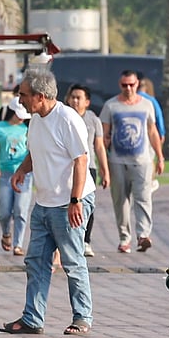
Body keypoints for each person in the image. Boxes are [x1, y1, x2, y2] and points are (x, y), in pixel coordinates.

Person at [3, 69, 96, 336]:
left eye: (23, 94)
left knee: (72, 261)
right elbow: (35, 151)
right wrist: (22, 170)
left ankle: (82, 317)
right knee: (36, 261)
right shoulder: (36, 120)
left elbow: (81, 160)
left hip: (69, 202)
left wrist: (76, 201)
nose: (19, 100)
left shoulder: (67, 119)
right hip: (43, 203)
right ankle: (32, 318)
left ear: (40, 96)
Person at [99, 70, 164, 253]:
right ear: (120, 85)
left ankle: (143, 235)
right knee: (121, 201)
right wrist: (104, 162)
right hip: (118, 161)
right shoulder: (111, 106)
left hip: (142, 160)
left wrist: (159, 156)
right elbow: (103, 134)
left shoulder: (146, 104)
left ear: (137, 84)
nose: (128, 88)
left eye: (131, 84)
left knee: (143, 198)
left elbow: (152, 131)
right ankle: (124, 237)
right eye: (124, 85)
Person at [66, 83, 110, 257]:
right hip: (68, 167)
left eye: (79, 98)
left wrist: (104, 170)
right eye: (73, 97)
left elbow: (99, 146)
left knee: (87, 205)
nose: (75, 101)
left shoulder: (93, 119)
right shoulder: (64, 116)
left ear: (87, 102)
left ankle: (86, 240)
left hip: (88, 167)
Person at [0, 97, 32, 256]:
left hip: (24, 174)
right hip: (6, 174)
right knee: (4, 210)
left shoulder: (28, 128)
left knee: (21, 209)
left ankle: (18, 244)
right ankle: (6, 232)